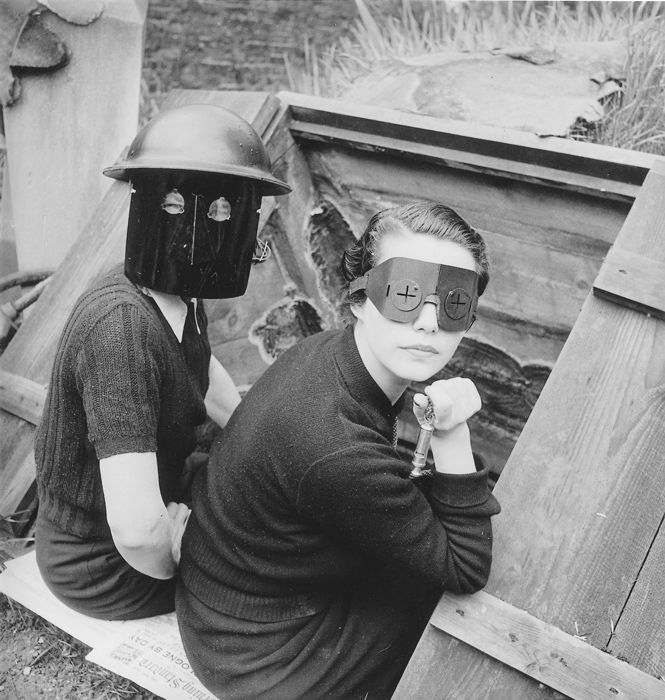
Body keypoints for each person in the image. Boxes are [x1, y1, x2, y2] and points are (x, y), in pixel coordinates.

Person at [177, 201, 502, 699]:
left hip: (231, 607)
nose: (429, 324)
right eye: (405, 295)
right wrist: (455, 431)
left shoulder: (334, 354)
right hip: (264, 658)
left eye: (454, 301)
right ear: (358, 299)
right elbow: (466, 566)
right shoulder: (334, 445)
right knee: (465, 602)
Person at [33, 103, 291, 621]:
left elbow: (202, 368)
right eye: (178, 206)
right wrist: (181, 551)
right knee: (272, 565)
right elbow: (134, 530)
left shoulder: (180, 290)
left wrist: (254, 441)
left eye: (226, 213)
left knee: (265, 501)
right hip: (101, 560)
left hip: (154, 499)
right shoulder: (121, 329)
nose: (209, 227)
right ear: (147, 207)